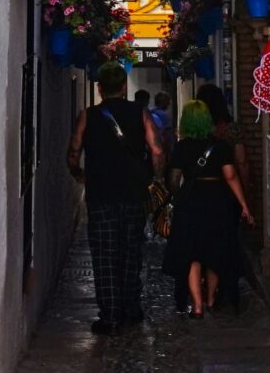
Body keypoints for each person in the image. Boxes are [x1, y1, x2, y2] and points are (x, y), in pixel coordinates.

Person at [70, 65, 161, 334]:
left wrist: (79, 175)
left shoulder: (88, 116)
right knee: (131, 251)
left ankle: (110, 315)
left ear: (99, 89)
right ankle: (131, 308)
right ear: (124, 87)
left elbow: (73, 153)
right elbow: (156, 150)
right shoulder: (140, 113)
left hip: (101, 196)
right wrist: (154, 180)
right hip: (134, 194)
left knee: (105, 255)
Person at [162, 100, 252, 317]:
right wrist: (244, 205)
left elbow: (173, 180)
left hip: (190, 204)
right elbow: (230, 176)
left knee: (192, 255)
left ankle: (198, 306)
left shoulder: (181, 147)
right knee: (215, 252)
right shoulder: (220, 146)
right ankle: (211, 299)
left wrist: (179, 195)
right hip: (217, 202)